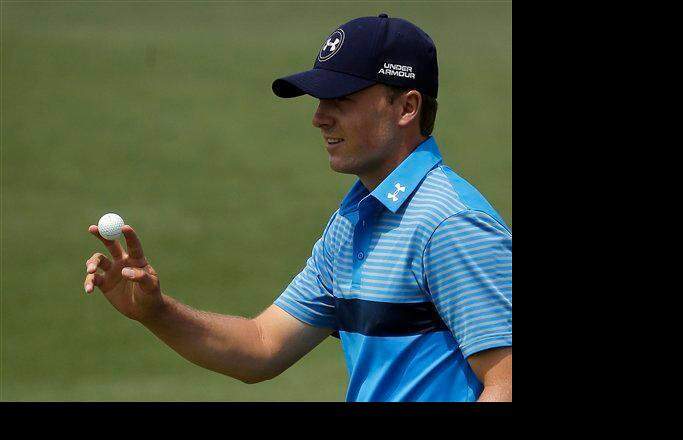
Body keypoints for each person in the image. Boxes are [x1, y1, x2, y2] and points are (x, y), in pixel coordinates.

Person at [81, 14, 512, 402]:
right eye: (320, 100)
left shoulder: (451, 225)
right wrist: (156, 312)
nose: (320, 117)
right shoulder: (354, 223)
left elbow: (506, 383)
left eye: (341, 99)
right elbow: (262, 346)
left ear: (407, 107)